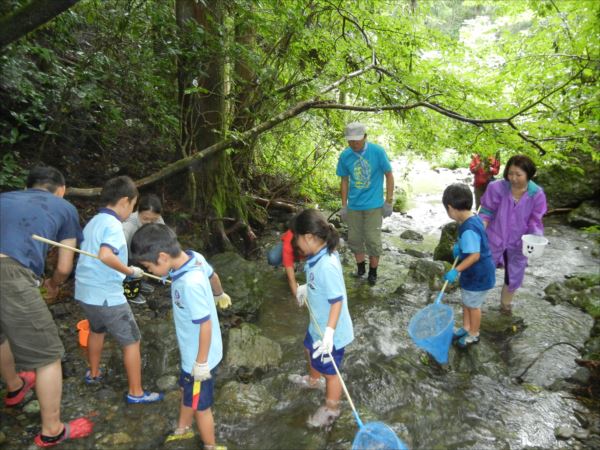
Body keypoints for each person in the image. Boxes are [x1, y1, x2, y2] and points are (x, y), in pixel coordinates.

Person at [0, 165, 94, 446]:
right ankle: (52, 429)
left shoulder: (5, 197)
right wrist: (53, 283)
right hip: (9, 272)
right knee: (48, 356)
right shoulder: (64, 208)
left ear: (27, 186)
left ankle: (16, 386)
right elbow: (64, 267)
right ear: (61, 190)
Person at [130, 223, 226, 450]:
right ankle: (182, 429)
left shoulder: (189, 284)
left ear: (163, 257)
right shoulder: (194, 258)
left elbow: (206, 324)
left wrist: (201, 363)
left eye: (147, 266)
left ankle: (211, 445)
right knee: (186, 391)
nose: (149, 271)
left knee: (201, 406)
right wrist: (219, 293)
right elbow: (213, 276)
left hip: (199, 359)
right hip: (191, 355)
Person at [74, 176, 163, 404]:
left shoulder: (95, 221)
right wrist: (130, 271)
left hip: (85, 292)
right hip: (107, 295)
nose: (131, 211)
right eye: (133, 206)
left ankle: (93, 374)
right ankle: (136, 392)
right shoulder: (114, 225)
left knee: (97, 330)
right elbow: (106, 255)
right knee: (132, 340)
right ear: (124, 201)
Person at [287, 209, 354, 428]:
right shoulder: (316, 256)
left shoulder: (327, 264)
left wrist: (329, 335)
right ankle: (314, 381)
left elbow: (337, 300)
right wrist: (308, 288)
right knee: (308, 348)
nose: (295, 243)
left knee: (331, 373)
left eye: (296, 238)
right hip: (318, 323)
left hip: (330, 331)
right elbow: (321, 286)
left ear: (308, 237)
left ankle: (332, 408)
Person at [479, 155, 547, 313]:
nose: (514, 178)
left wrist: (535, 237)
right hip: (494, 237)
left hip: (519, 242)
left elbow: (535, 220)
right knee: (483, 270)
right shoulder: (496, 188)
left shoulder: (536, 194)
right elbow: (486, 211)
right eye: (510, 173)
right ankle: (475, 306)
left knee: (513, 274)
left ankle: (505, 306)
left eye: (518, 174)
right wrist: (478, 230)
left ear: (529, 175)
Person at [336, 122, 394, 285]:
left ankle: (373, 273)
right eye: (350, 141)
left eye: (357, 140)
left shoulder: (377, 152)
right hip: (354, 205)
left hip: (374, 205)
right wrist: (344, 205)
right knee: (354, 239)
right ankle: (361, 268)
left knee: (372, 240)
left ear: (365, 137)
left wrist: (388, 201)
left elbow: (389, 175)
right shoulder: (345, 156)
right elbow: (344, 180)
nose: (354, 144)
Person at [441, 184, 496, 348]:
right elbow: (473, 245)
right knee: (467, 301)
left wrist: (455, 270)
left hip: (478, 274)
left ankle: (474, 333)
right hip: (473, 273)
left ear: (450, 208)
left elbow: (474, 256)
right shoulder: (473, 218)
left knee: (473, 306)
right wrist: (461, 247)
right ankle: (466, 327)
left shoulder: (469, 228)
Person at [122, 194, 166, 304]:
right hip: (128, 254)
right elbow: (120, 245)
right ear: (138, 212)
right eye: (145, 219)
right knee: (131, 267)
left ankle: (140, 281)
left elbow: (165, 237)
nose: (150, 223)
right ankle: (130, 291)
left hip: (146, 251)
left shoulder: (158, 219)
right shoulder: (129, 224)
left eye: (153, 219)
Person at [266, 225, 305, 300]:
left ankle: (299, 262)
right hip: (289, 245)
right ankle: (288, 261)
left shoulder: (314, 241)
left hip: (308, 248)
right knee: (273, 259)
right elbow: (291, 279)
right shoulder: (288, 246)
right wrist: (298, 297)